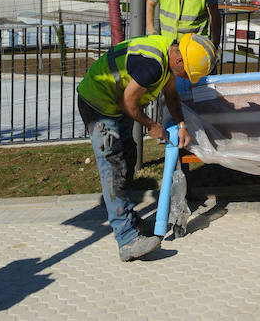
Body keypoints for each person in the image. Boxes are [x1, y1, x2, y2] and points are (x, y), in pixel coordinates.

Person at [76, 32, 216, 262]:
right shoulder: (153, 65)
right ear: (179, 60)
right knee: (114, 168)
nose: (186, 79)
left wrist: (181, 124)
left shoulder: (170, 52)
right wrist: (152, 126)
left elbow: (171, 95)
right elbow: (128, 102)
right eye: (188, 74)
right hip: (99, 104)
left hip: (114, 105)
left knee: (128, 159)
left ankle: (130, 221)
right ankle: (127, 239)